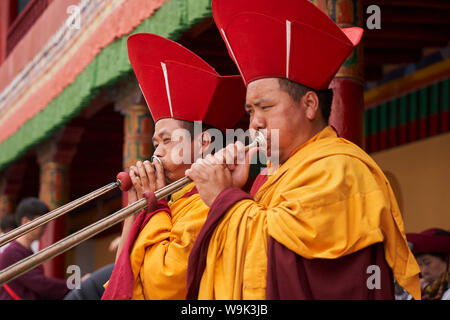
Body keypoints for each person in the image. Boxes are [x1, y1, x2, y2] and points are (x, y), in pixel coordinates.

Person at [185, 0, 421, 300]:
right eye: (250, 111)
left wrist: (225, 199)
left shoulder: (339, 167)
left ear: (309, 105)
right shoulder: (274, 176)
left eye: (265, 107)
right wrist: (236, 191)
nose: (254, 123)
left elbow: (285, 262)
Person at [101, 33, 246, 299]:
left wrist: (156, 208)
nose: (156, 152)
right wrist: (135, 209)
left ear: (203, 143)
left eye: (167, 140)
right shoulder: (177, 201)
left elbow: (163, 284)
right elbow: (121, 277)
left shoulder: (207, 201)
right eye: (156, 143)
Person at [0, 198, 70, 300]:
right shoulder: (11, 253)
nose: (45, 229)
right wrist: (75, 285)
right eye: (42, 223)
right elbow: (40, 284)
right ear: (25, 221)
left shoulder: (26, 251)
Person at [406, 228, 450, 300]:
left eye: (427, 263)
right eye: (419, 265)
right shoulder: (419, 291)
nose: (423, 271)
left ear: (446, 259)